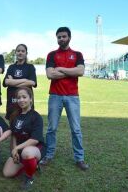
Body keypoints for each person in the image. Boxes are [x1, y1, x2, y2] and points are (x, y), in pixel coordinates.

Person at [40, 27, 89, 171]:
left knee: (76, 129)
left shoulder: (77, 54)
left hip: (72, 96)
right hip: (55, 95)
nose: (61, 39)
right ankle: (48, 155)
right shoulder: (51, 55)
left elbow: (80, 71)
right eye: (59, 37)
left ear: (69, 37)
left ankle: (79, 158)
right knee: (52, 128)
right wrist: (71, 72)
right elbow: (50, 75)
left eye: (64, 36)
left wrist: (60, 69)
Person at [3, 87, 44, 190]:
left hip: (35, 148)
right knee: (7, 173)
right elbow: (14, 135)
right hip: (20, 149)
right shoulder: (15, 115)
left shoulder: (36, 117)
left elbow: (34, 140)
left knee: (27, 152)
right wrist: (14, 151)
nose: (21, 100)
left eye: (24, 97)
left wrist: (17, 148)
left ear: (31, 99)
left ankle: (29, 177)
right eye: (19, 98)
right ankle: (31, 166)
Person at [3, 44, 37, 120]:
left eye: (22, 51)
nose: (20, 53)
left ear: (26, 53)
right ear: (15, 53)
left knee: (27, 124)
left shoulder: (30, 67)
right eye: (18, 51)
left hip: (26, 103)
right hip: (12, 102)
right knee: (12, 126)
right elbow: (7, 82)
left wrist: (13, 82)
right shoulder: (11, 67)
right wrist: (25, 80)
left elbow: (32, 83)